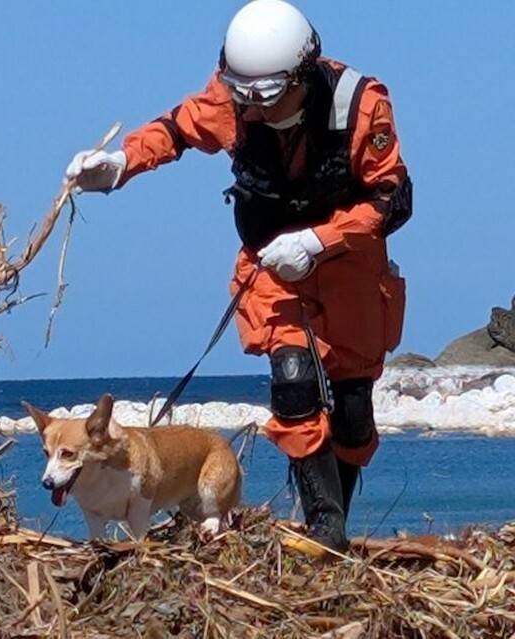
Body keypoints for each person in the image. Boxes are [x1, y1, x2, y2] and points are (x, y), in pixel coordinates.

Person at [64, 0, 411, 551]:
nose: (252, 111)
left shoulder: (360, 105)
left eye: (266, 97)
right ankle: (325, 530)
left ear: (302, 75)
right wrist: (121, 164)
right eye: (242, 95)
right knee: (294, 381)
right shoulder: (232, 97)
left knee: (351, 410)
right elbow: (176, 130)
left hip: (350, 263)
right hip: (270, 264)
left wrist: (321, 240)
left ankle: (335, 516)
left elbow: (393, 198)